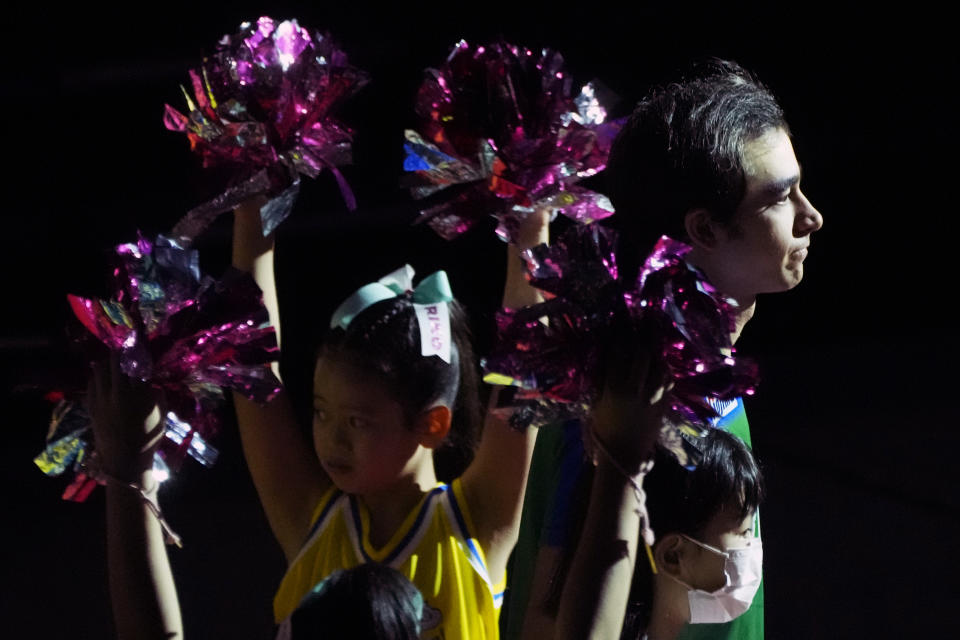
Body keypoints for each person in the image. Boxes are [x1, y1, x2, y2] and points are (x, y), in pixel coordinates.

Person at [510, 58, 822, 640]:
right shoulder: (623, 406)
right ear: (704, 229)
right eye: (781, 199)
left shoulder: (699, 371)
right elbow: (548, 621)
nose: (813, 217)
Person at [231, 200, 549, 639]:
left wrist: (531, 226)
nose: (331, 439)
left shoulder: (475, 523)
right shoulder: (310, 521)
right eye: (322, 412)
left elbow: (523, 368)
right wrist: (253, 216)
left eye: (357, 422)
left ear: (432, 424)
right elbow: (252, 371)